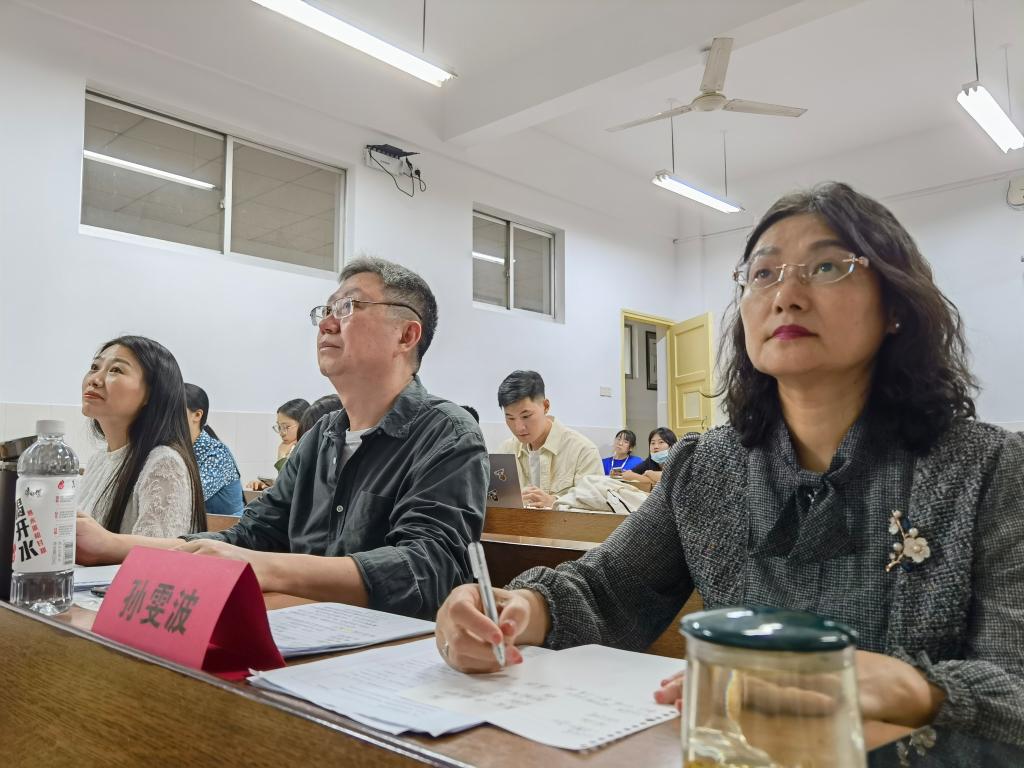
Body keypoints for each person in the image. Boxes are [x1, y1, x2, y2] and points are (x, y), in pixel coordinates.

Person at [434, 182, 1024, 745]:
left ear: (894, 304)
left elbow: (1014, 685)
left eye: (826, 267)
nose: (786, 295)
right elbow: (611, 588)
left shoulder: (988, 470)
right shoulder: (710, 468)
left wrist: (914, 689)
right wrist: (518, 610)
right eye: (763, 274)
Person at [77, 257, 488, 619]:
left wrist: (264, 566)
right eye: (326, 310)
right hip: (299, 629)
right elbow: (248, 537)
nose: (326, 323)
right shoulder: (320, 438)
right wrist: (112, 546)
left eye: (348, 307)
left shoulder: (446, 433)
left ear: (406, 336)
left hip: (392, 654)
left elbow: (427, 570)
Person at [77, 336, 206, 537]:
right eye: (94, 367)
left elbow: (155, 555)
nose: (94, 380)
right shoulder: (98, 460)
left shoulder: (163, 463)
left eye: (116, 370)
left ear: (151, 393)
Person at [497, 370, 603, 509]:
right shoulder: (505, 451)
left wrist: (556, 503)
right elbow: (496, 502)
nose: (519, 428)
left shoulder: (583, 451)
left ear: (545, 406)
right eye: (510, 418)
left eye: (526, 416)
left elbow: (597, 508)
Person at [185, 383, 244, 517]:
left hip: (228, 528)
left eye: (175, 410)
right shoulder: (181, 449)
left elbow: (187, 497)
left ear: (197, 415)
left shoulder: (217, 454)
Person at [246, 398, 310, 490]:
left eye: (286, 427)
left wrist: (281, 456)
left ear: (303, 423)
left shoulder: (309, 450)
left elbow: (290, 486)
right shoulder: (291, 448)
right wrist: (266, 486)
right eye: (279, 427)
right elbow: (287, 484)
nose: (282, 433)